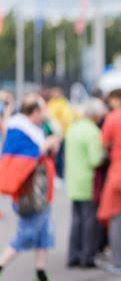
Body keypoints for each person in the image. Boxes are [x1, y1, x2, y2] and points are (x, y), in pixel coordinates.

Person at [0, 94, 60, 281]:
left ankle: (41, 272)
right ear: (35, 111)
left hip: (40, 191)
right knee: (25, 235)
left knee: (43, 234)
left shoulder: (27, 127)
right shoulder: (21, 129)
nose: (46, 113)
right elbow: (26, 158)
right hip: (31, 193)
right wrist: (47, 144)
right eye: (43, 109)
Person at [97, 89, 121, 274]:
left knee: (116, 217)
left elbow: (103, 144)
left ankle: (119, 263)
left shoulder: (112, 117)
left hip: (118, 172)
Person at [65, 98, 107, 268]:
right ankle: (87, 257)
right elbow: (95, 160)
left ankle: (72, 255)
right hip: (87, 181)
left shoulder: (72, 129)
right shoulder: (92, 132)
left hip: (73, 180)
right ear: (95, 115)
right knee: (89, 221)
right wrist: (105, 155)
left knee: (76, 220)